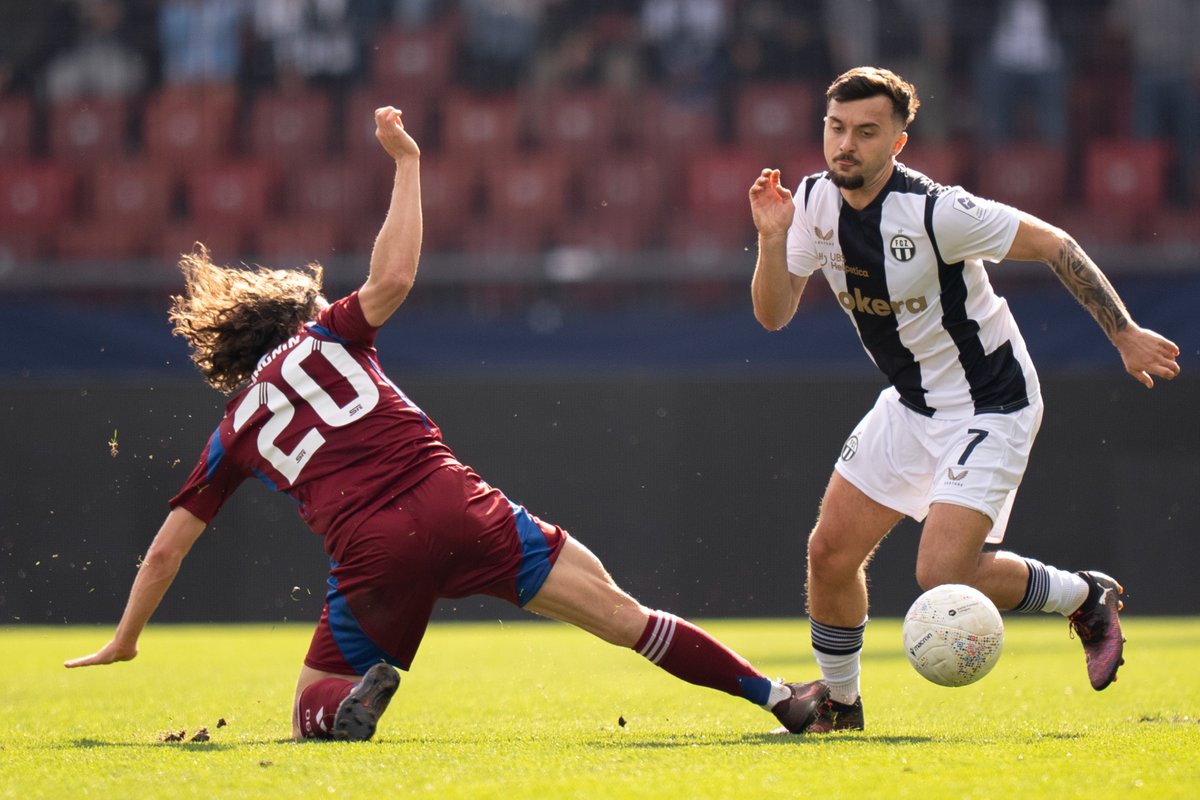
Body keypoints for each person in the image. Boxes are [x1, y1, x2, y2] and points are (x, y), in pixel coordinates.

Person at [65, 105, 828, 741]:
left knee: (309, 711)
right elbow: (394, 277)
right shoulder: (328, 333)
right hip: (459, 504)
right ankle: (778, 698)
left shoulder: (235, 427)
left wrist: (127, 636)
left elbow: (167, 548)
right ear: (288, 313)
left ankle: (347, 707)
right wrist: (406, 163)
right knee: (627, 616)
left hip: (370, 553)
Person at [747, 67, 1181, 733]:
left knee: (942, 571)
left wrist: (1122, 332)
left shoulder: (935, 210)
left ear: (898, 143)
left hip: (991, 402)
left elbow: (1055, 244)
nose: (846, 144)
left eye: (867, 132)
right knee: (829, 552)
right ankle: (840, 704)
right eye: (837, 128)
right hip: (912, 403)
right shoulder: (810, 203)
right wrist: (772, 242)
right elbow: (773, 316)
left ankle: (1084, 596)